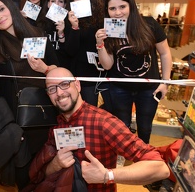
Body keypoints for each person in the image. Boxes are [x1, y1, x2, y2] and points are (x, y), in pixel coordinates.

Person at [24, 67, 170, 191]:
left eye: (64, 84)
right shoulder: (55, 124)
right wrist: (56, 164)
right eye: (52, 89)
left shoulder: (103, 122)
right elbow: (40, 174)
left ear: (77, 85)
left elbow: (159, 168)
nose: (60, 93)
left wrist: (107, 175)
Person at [0, 0, 59, 189]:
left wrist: (45, 69)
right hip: (18, 124)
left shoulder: (38, 35)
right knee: (25, 177)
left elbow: (59, 73)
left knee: (51, 173)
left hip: (47, 117)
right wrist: (4, 129)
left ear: (11, 7)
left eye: (1, 9)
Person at [96, 0, 172, 144]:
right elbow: (108, 65)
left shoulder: (149, 24)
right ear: (107, 10)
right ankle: (123, 155)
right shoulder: (109, 30)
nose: (118, 13)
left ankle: (143, 158)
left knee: (145, 128)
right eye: (112, 8)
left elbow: (165, 53)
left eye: (122, 6)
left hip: (149, 88)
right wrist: (100, 44)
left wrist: (165, 82)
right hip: (120, 88)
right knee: (122, 127)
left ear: (131, 5)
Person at [63, 0, 109, 109]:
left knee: (96, 114)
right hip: (78, 77)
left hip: (97, 76)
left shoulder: (102, 17)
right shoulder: (69, 19)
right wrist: (74, 27)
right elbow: (70, 50)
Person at [36, 0, 71, 69]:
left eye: (60, 1)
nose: (57, 4)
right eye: (53, 1)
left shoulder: (69, 23)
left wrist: (61, 34)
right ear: (48, 4)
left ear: (65, 5)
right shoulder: (40, 23)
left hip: (63, 68)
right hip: (45, 68)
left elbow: (69, 52)